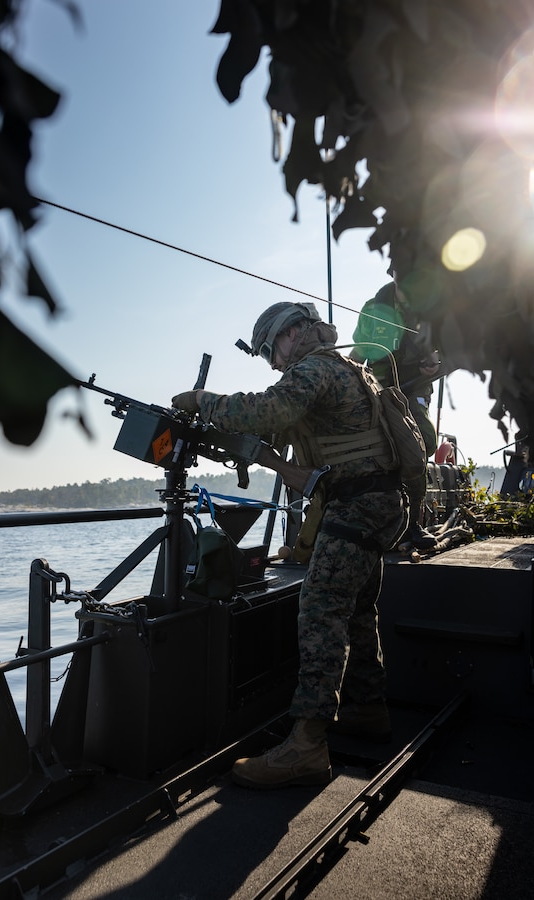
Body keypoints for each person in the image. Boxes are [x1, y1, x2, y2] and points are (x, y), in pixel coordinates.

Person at [172, 301, 407, 789]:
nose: (272, 363)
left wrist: (201, 400)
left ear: (294, 332)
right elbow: (279, 426)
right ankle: (366, 708)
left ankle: (306, 747)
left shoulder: (315, 368)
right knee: (357, 610)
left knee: (320, 609)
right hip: (378, 502)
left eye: (269, 351)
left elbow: (266, 411)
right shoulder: (346, 368)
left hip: (356, 506)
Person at [351, 268, 440, 549]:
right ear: (393, 273)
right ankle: (378, 519)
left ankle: (413, 524)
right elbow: (358, 354)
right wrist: (344, 377)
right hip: (379, 390)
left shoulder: (433, 309)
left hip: (414, 390)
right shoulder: (373, 309)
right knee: (377, 447)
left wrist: (435, 360)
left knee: (422, 441)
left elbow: (450, 348)